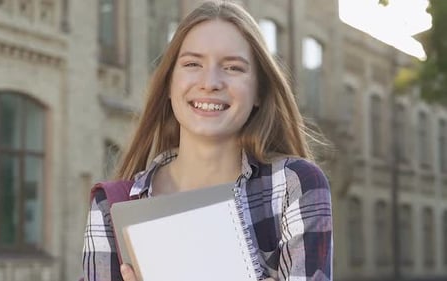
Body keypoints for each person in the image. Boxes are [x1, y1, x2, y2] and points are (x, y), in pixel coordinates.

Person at [82, 1, 333, 280]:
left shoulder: (292, 185)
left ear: (259, 91)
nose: (210, 82)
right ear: (169, 83)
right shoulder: (113, 208)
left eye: (233, 68)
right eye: (192, 64)